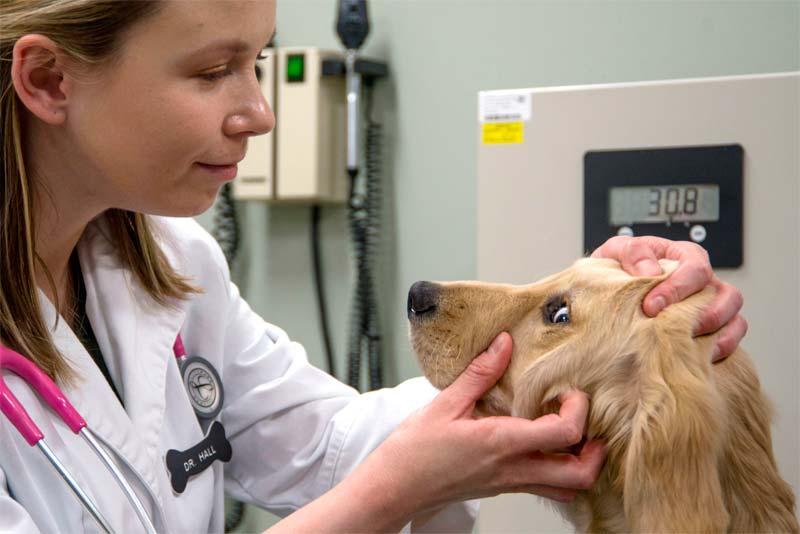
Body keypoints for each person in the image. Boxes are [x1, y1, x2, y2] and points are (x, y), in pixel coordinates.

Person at [0, 1, 747, 532]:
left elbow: (326, 445)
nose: (259, 111)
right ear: (48, 81)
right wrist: (391, 493)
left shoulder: (171, 264)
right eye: (211, 71)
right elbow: (377, 475)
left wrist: (592, 336)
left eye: (255, 62)